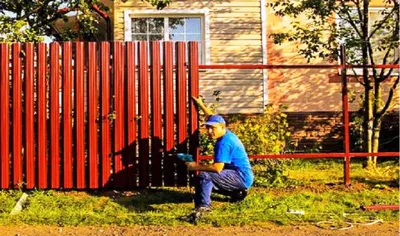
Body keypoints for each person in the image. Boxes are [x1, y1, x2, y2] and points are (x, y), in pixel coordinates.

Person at [183, 96, 254, 222]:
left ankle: (204, 207)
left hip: (240, 177)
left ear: (222, 127)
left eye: (213, 128)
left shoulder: (224, 143)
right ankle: (236, 194)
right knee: (207, 179)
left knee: (205, 176)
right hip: (241, 175)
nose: (210, 131)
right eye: (208, 128)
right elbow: (212, 117)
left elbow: (217, 168)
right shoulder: (226, 132)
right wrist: (200, 104)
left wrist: (195, 166)